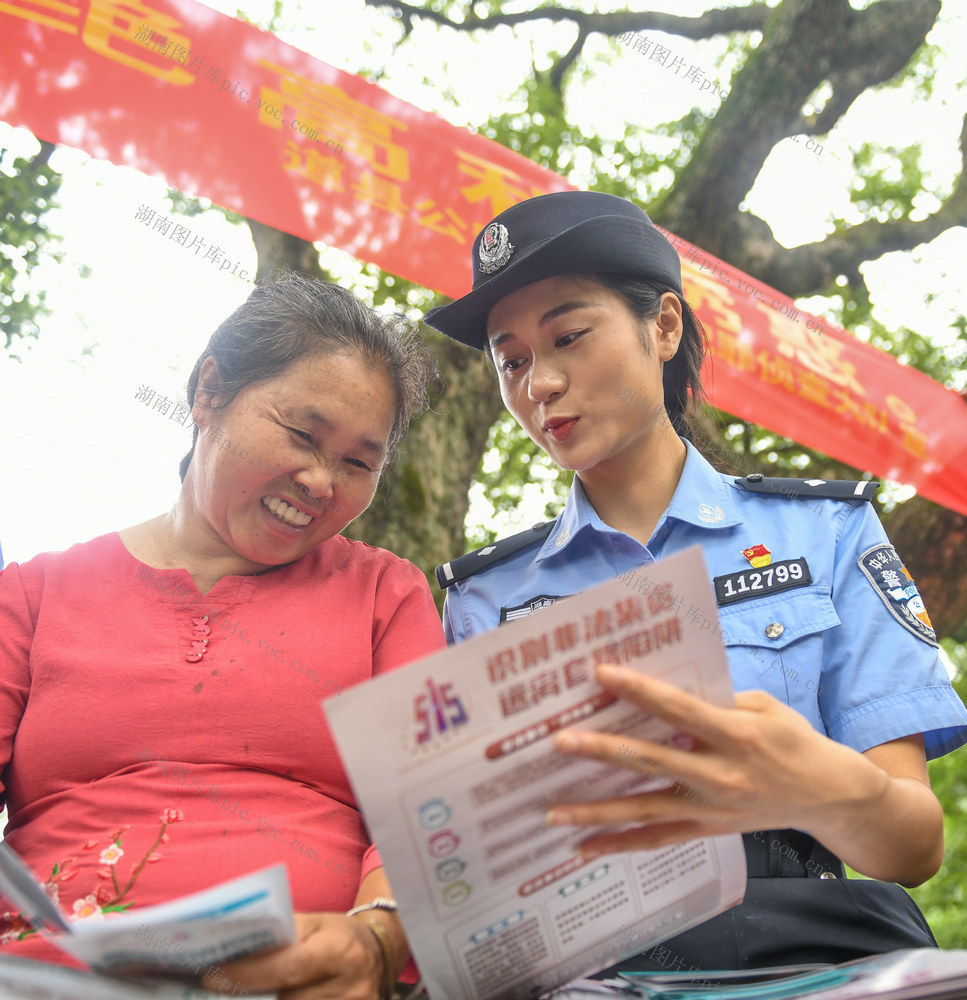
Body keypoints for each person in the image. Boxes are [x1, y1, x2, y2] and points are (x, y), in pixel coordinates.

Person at [424, 191, 967, 971]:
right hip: (589, 967)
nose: (537, 383)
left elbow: (914, 845)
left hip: (798, 959)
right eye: (511, 361)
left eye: (568, 336)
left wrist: (812, 787)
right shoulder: (484, 600)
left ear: (664, 327)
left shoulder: (825, 534)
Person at [0, 274, 443, 999]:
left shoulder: (384, 596)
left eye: (358, 463)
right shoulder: (32, 595)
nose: (320, 479)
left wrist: (376, 938)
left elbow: (426, 809)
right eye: (303, 434)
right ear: (209, 391)